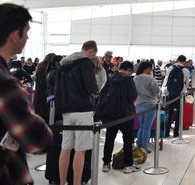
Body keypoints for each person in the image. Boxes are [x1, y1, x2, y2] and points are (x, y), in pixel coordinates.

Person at [0, 3, 52, 185]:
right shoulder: (1, 82)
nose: (27, 37)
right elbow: (38, 141)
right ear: (14, 36)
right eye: (26, 31)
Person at [57, 40, 98, 185]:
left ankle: (62, 182)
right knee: (81, 150)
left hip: (66, 110)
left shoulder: (63, 65)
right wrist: (95, 88)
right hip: (83, 110)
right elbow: (91, 87)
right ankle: (76, 183)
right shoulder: (86, 63)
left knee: (65, 148)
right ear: (92, 51)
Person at [100, 61, 140, 174]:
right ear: (128, 70)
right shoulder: (128, 80)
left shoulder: (111, 78)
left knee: (109, 139)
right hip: (125, 114)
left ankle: (106, 163)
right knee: (128, 140)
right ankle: (128, 165)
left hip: (111, 114)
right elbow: (133, 96)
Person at [134, 61, 161, 154]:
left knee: (141, 127)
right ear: (146, 68)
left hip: (139, 104)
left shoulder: (135, 78)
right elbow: (157, 91)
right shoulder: (150, 79)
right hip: (150, 104)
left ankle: (139, 145)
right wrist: (159, 97)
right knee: (147, 127)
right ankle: (144, 147)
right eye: (150, 68)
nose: (151, 70)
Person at [162, 55, 190, 137]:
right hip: (180, 95)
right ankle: (176, 132)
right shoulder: (186, 71)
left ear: (177, 60)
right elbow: (187, 84)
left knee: (169, 113)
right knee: (179, 114)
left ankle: (166, 132)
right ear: (184, 61)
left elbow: (167, 80)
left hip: (170, 94)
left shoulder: (170, 68)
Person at [33, 53, 57, 123]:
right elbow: (46, 84)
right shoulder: (48, 69)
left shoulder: (40, 67)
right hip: (47, 98)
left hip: (39, 98)